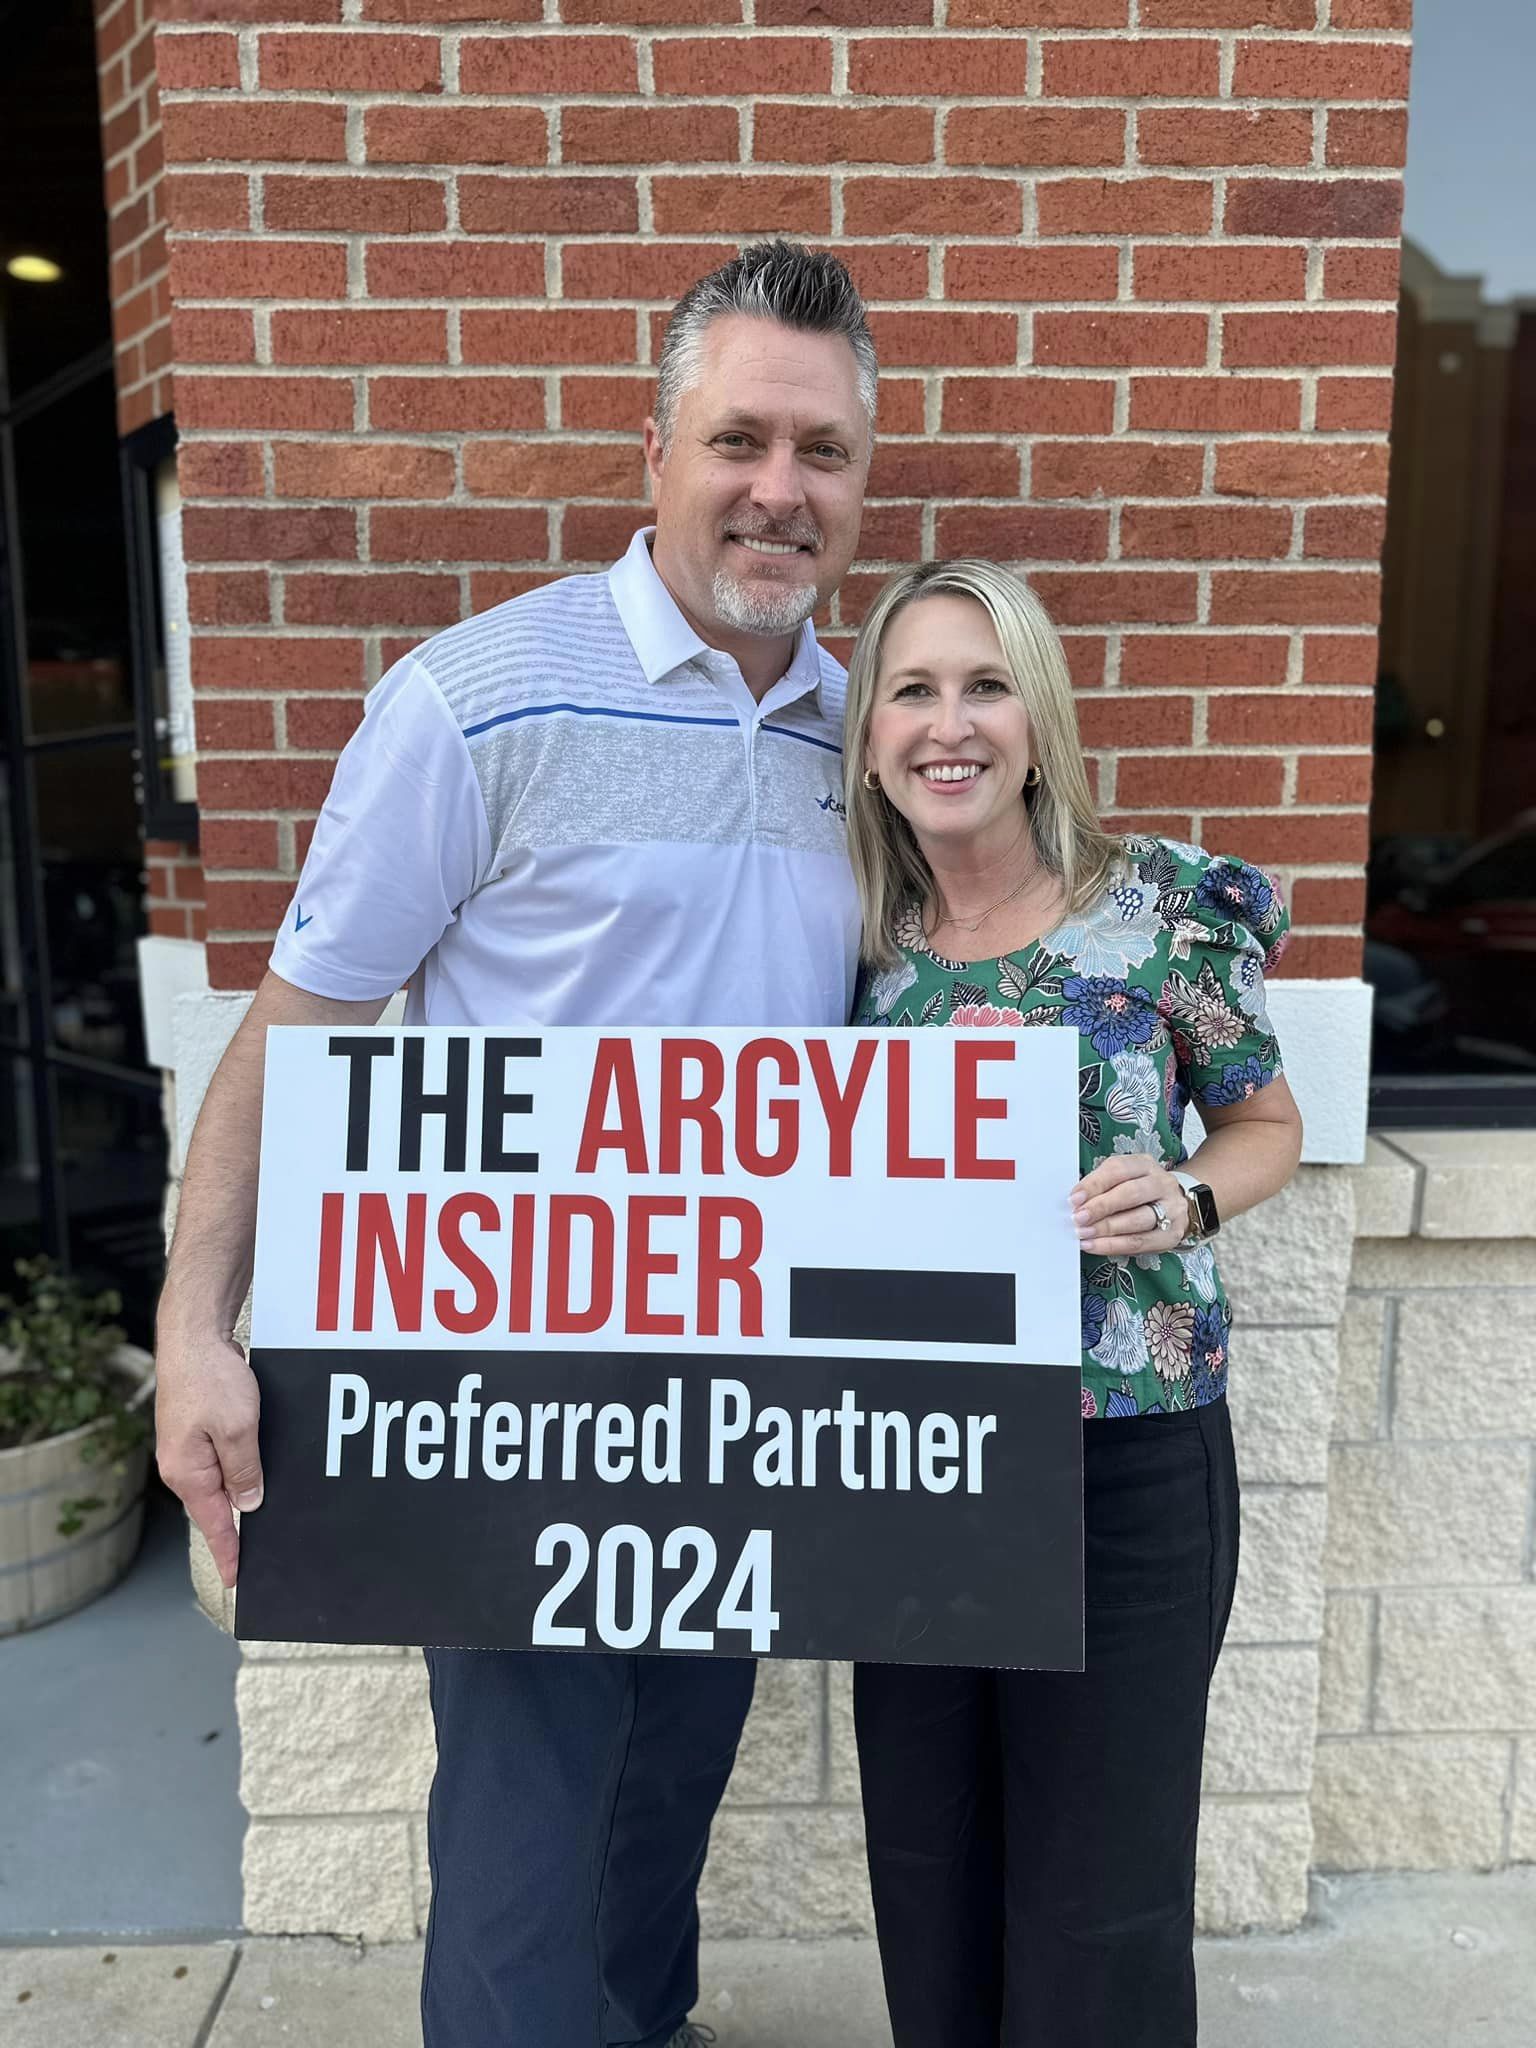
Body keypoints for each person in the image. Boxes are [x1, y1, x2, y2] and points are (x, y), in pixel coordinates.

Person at [153, 240, 876, 2048]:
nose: (779, 490)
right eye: (740, 440)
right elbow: (304, 1020)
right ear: (657, 450)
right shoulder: (473, 699)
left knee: (673, 1781)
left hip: (758, 1383)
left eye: (824, 451)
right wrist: (196, 1323)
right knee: (525, 1832)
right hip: (508, 1376)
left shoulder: (867, 732)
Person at [842, 558, 1303, 2048]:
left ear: (1038, 719)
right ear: (868, 735)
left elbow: (1265, 1123)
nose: (950, 725)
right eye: (913, 691)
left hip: (1126, 1463)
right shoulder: (850, 944)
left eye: (986, 686)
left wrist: (1189, 1197)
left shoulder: (1160, 912)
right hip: (915, 1466)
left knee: (1099, 1893)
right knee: (932, 1866)